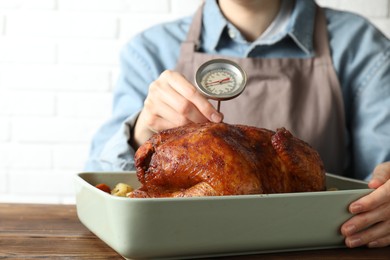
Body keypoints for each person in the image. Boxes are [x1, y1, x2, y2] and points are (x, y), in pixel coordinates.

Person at [85, 0, 390, 248]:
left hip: (313, 248)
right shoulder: (151, 49)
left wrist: (383, 192)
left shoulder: (361, 44)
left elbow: (377, 177)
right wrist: (140, 131)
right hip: (177, 245)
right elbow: (100, 188)